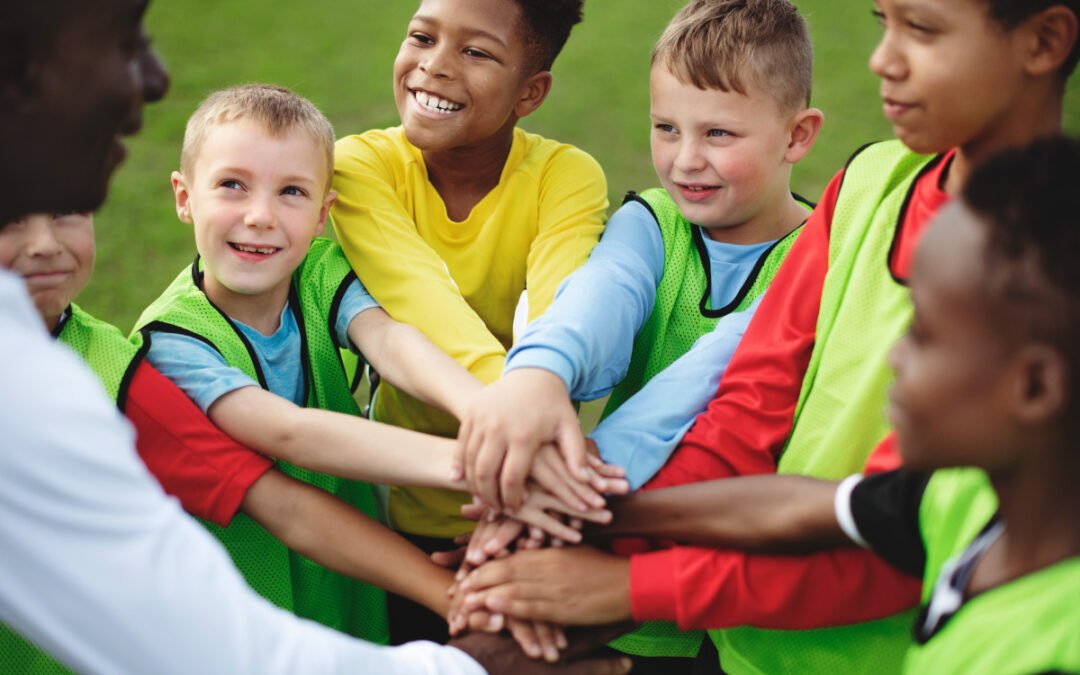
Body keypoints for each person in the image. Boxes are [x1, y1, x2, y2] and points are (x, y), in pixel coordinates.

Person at [451, 1, 1080, 673]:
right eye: (882, 23)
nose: (881, 60)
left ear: (1043, 41)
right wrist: (575, 537)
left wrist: (626, 582)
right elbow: (749, 406)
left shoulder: (1050, 269)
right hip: (740, 641)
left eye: (921, 30)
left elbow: (897, 540)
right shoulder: (869, 182)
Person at [0, 2, 629, 673]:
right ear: (184, 197)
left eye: (292, 192)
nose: (261, 216)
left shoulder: (319, 271)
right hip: (254, 615)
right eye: (233, 186)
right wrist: (502, 457)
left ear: (321, 210)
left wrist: (500, 420)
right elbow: (291, 444)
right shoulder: (166, 345)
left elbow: (397, 341)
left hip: (351, 595)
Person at [455, 0, 822, 667]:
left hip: (726, 582)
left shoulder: (821, 256)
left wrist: (568, 493)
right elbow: (599, 298)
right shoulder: (652, 221)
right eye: (665, 127)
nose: (685, 159)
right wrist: (537, 374)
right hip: (601, 566)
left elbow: (710, 372)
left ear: (797, 136)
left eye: (719, 135)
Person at [330, 0, 609, 642]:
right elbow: (419, 300)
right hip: (409, 500)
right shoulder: (358, 166)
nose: (433, 66)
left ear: (530, 92)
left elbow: (555, 321)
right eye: (422, 37)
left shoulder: (564, 176)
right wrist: (526, 439)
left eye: (476, 52)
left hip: (530, 504)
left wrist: (521, 471)